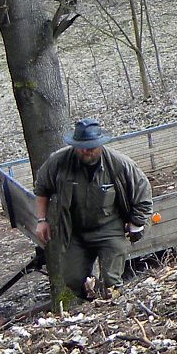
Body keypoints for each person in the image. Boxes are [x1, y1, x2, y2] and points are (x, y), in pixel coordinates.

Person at [33, 117, 153, 307]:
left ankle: (114, 309)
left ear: (100, 144)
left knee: (111, 281)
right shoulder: (59, 161)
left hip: (110, 228)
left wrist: (136, 223)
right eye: (80, 147)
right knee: (73, 280)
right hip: (74, 231)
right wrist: (42, 220)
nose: (85, 151)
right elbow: (41, 189)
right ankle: (93, 301)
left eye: (90, 147)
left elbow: (143, 197)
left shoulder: (120, 164)